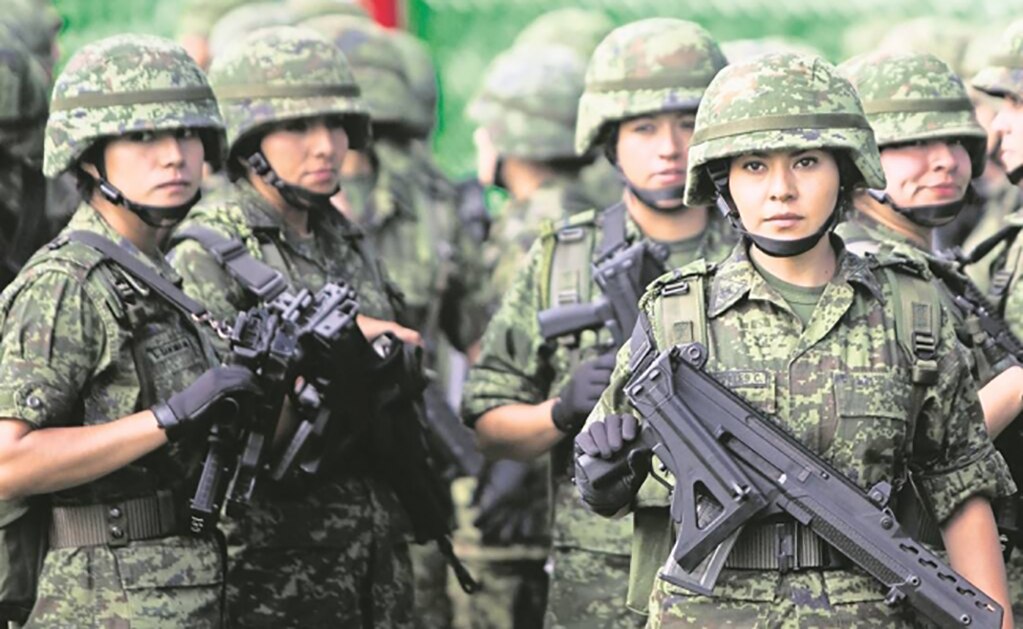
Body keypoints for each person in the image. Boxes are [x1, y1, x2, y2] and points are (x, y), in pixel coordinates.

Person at [576, 52, 1015, 628]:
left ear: (846, 171)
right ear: (724, 181)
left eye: (806, 161)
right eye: (754, 166)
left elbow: (960, 483)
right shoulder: (677, 311)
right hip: (710, 611)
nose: (781, 189)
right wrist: (606, 466)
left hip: (875, 606)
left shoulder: (912, 306)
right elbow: (605, 490)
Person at [461, 18, 735, 628]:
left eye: (688, 124)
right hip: (597, 587)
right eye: (643, 128)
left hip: (737, 574)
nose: (669, 146)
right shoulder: (563, 257)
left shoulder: (762, 255)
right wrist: (558, 413)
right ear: (608, 141)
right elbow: (486, 421)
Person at [0, 34, 260, 626]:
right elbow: (7, 463)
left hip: (186, 590)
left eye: (188, 133)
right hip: (101, 604)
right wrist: (168, 418)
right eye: (143, 136)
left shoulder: (154, 274)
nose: (174, 154)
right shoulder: (68, 283)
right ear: (91, 157)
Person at [166, 26, 418, 627]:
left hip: (373, 558)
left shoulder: (342, 233)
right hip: (272, 570)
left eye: (336, 125)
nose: (326, 145)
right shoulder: (207, 249)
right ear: (248, 141)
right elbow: (206, 419)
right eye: (298, 127)